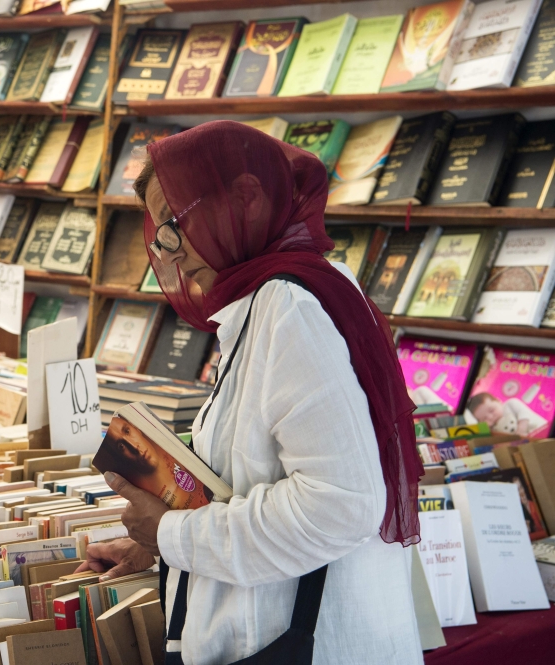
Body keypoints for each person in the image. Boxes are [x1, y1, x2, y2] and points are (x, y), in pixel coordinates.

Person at [77, 121, 424, 664]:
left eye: (173, 223)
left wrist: (175, 535)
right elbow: (257, 471)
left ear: (245, 197)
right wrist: (159, 544)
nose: (167, 250)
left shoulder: (292, 309)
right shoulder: (281, 293)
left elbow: (341, 506)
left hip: (301, 643)